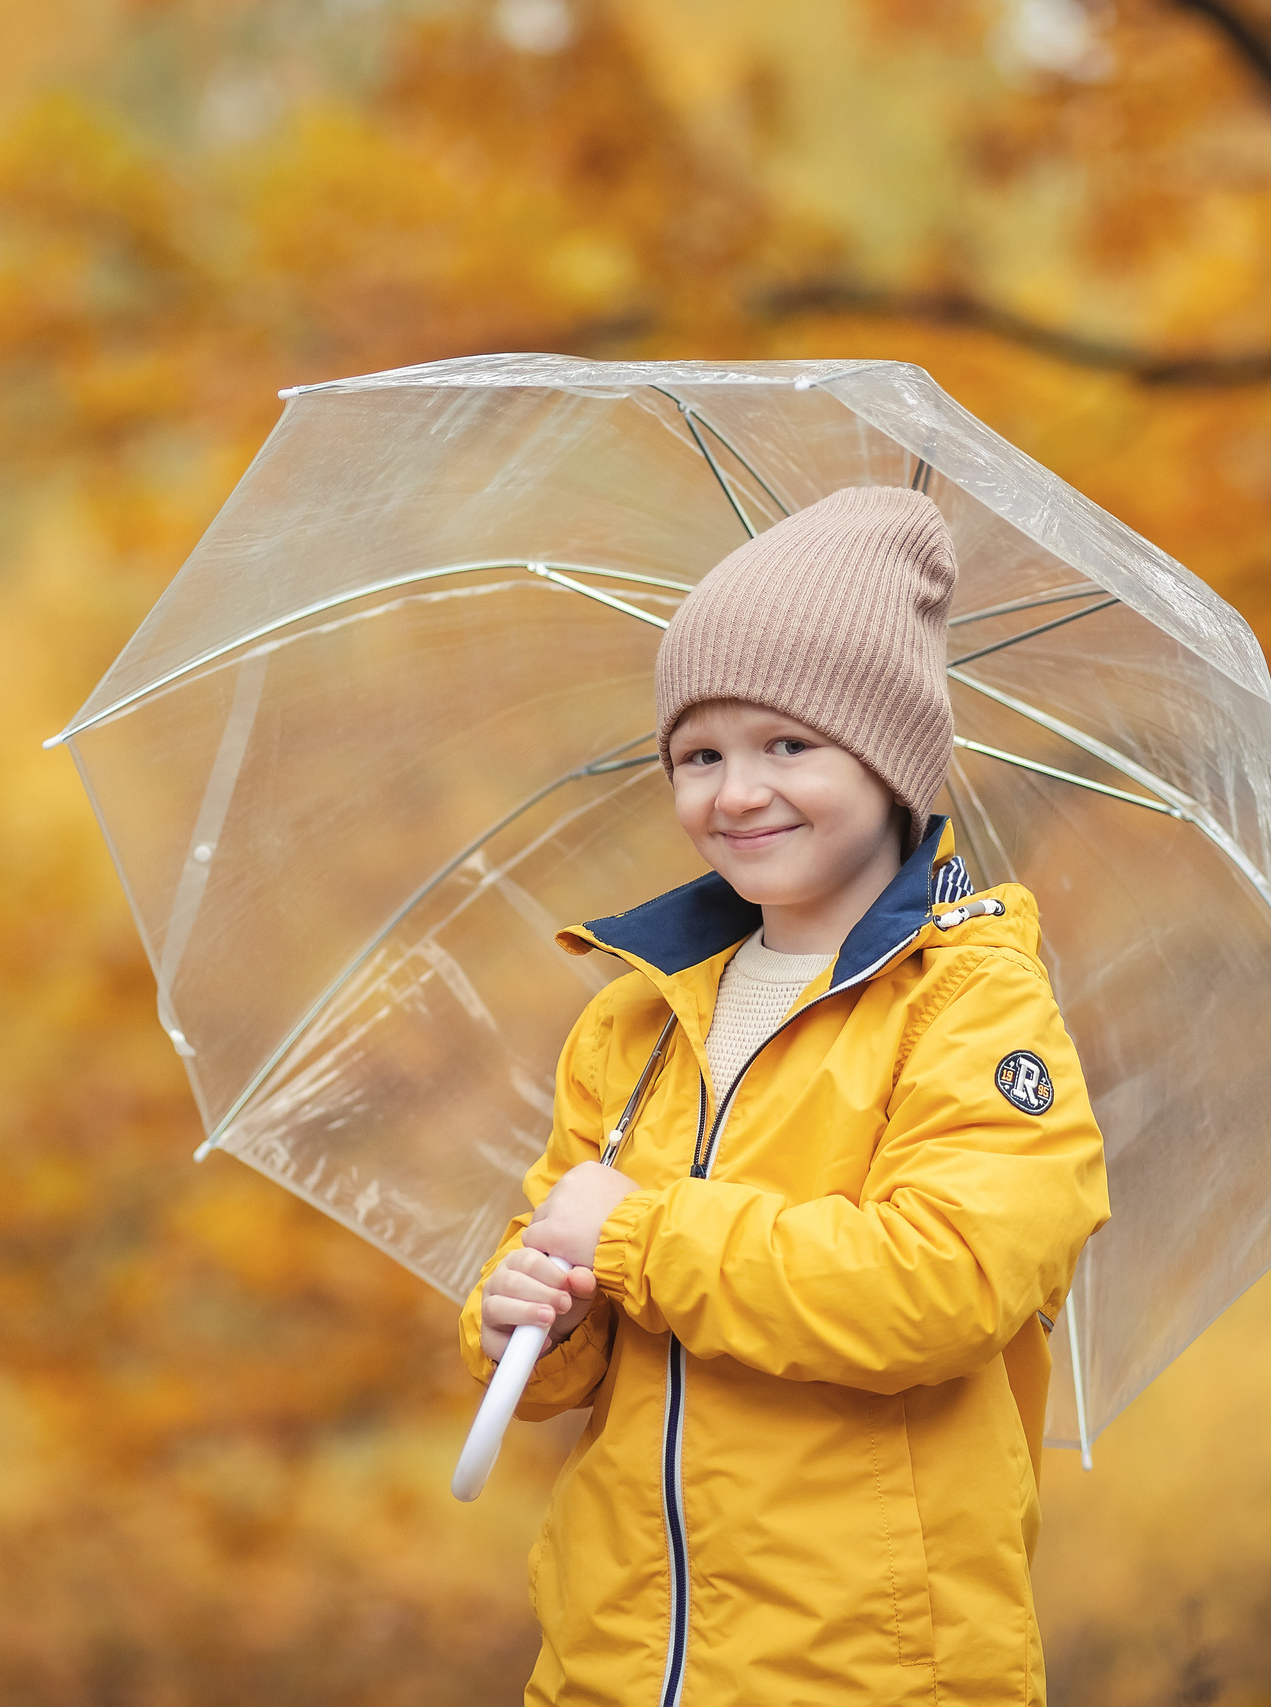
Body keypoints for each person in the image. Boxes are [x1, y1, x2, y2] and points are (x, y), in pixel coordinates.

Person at [458, 485, 1111, 1705]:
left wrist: (636, 1234)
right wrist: (520, 1323)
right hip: (615, 1665)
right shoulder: (637, 1014)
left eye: (787, 746)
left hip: (861, 1675)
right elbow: (570, 1287)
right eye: (698, 756)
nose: (735, 792)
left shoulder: (966, 1008)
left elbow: (941, 1288)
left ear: (892, 758)